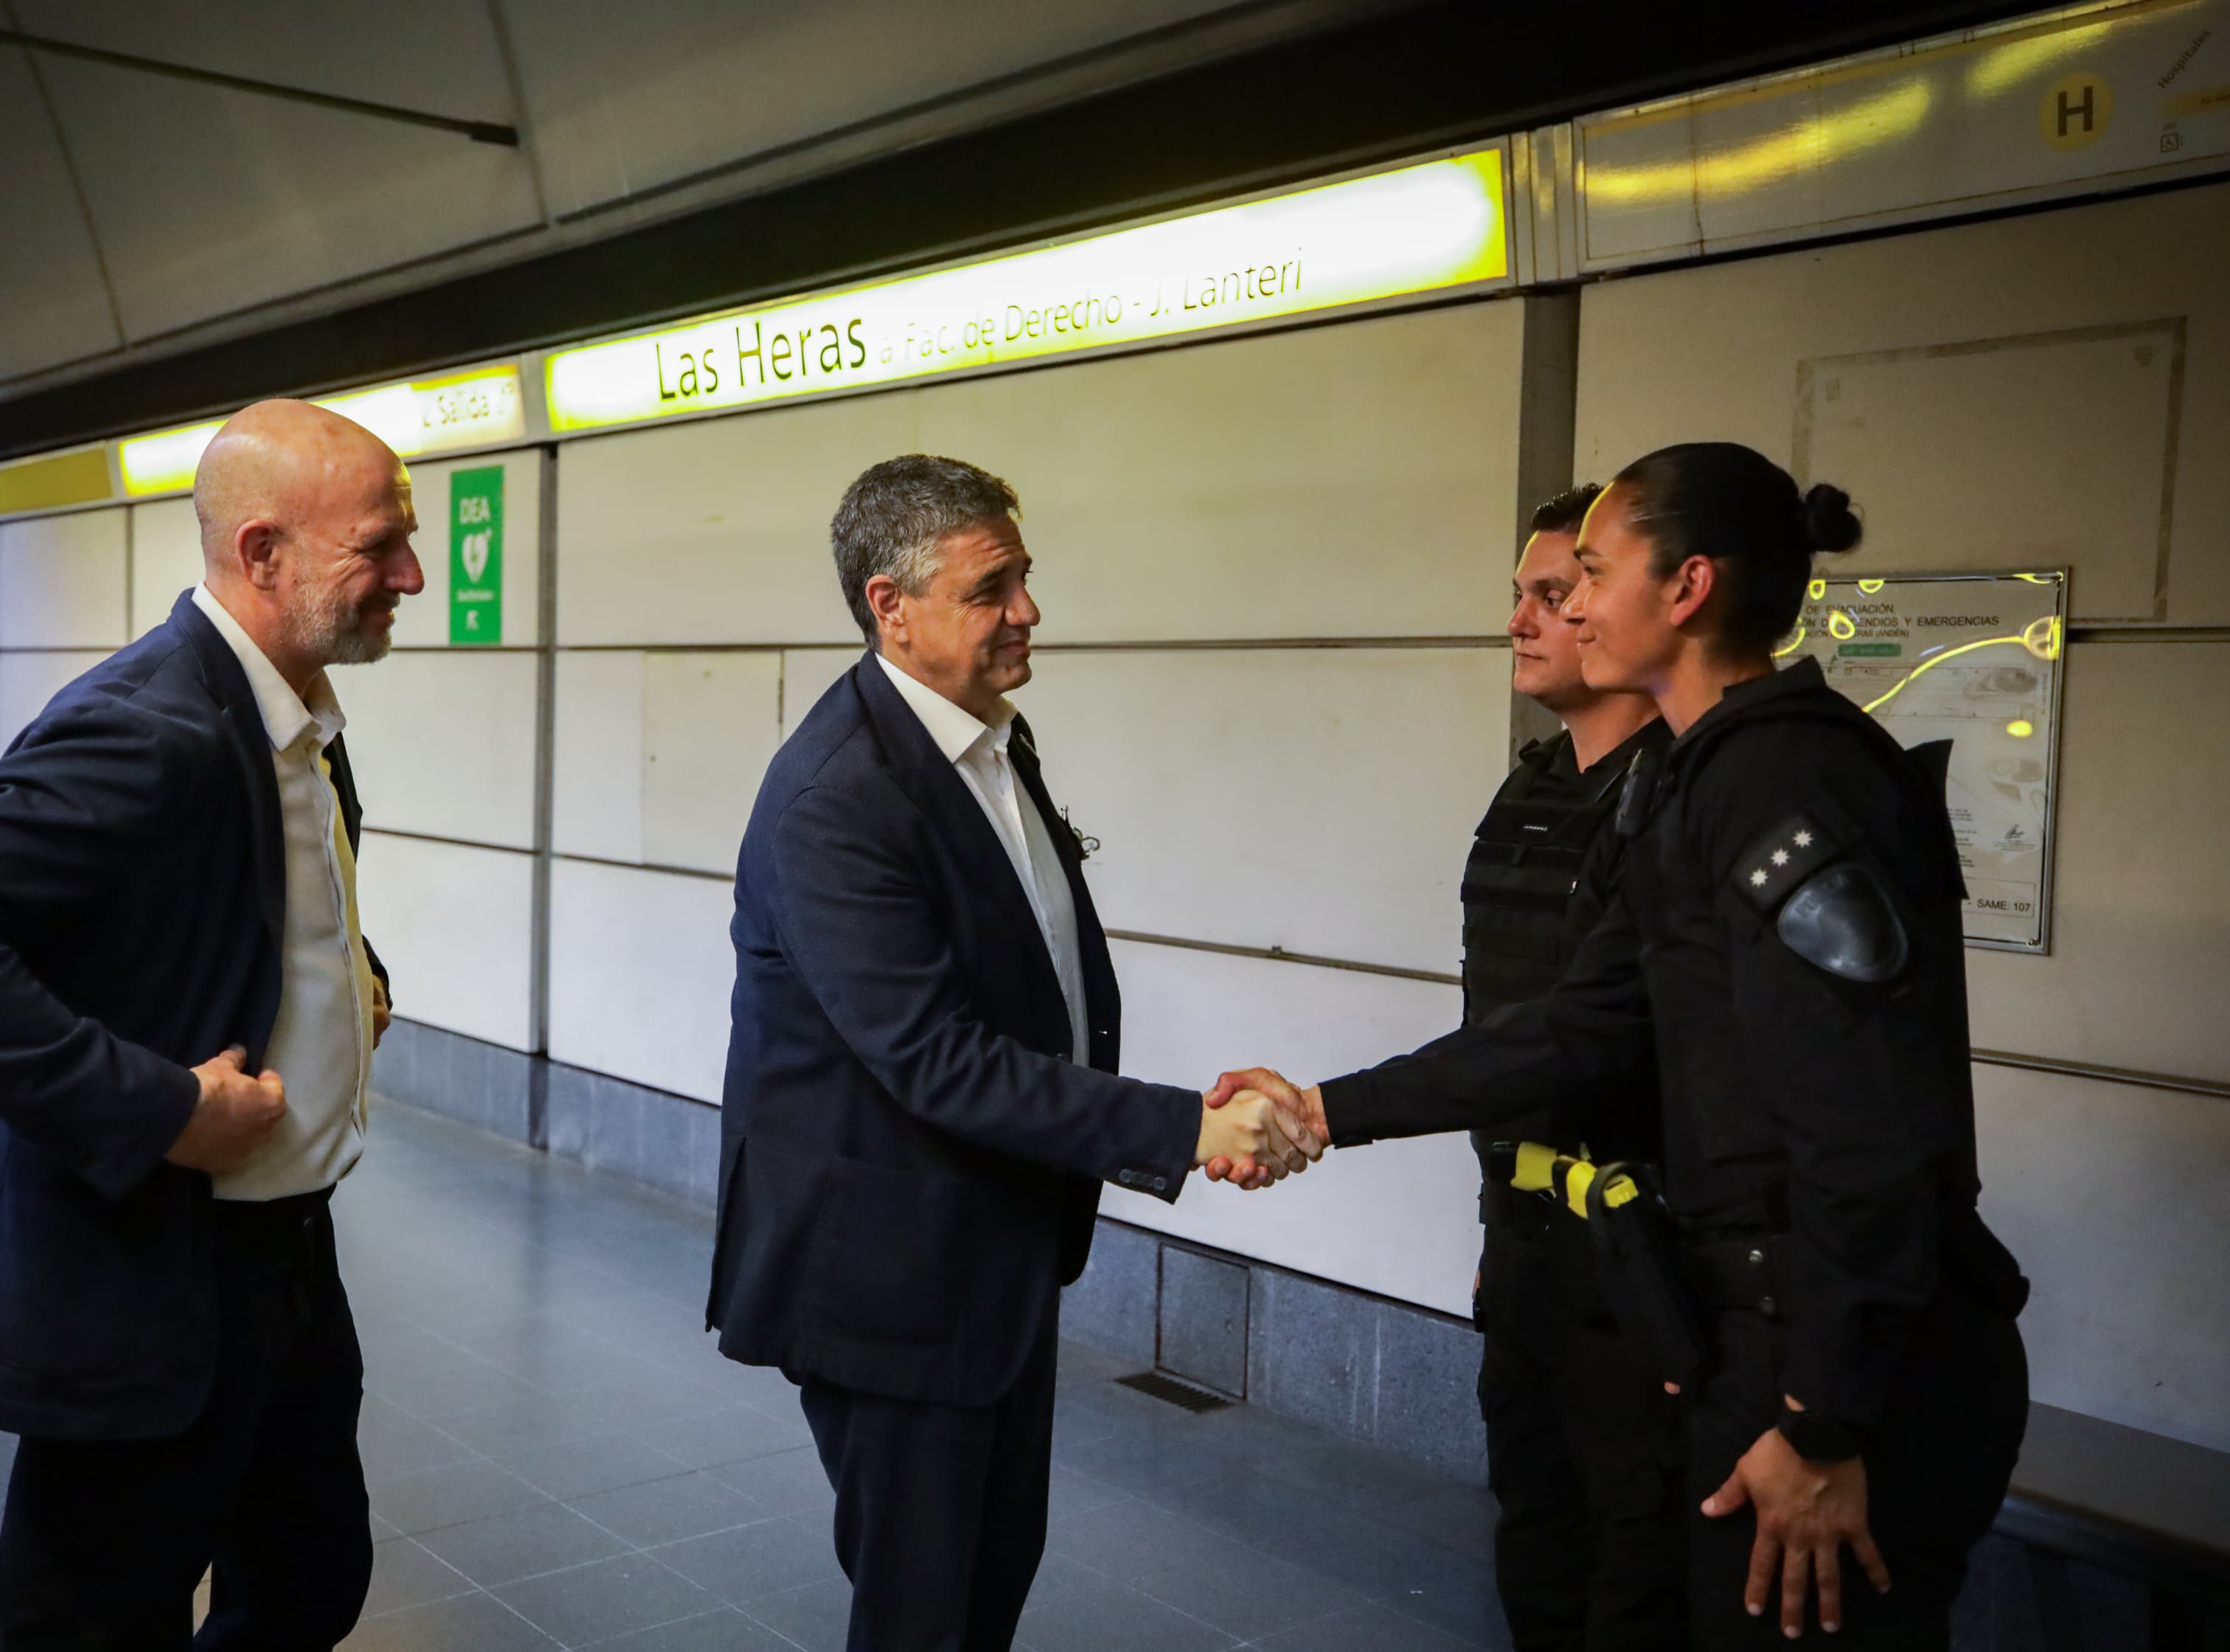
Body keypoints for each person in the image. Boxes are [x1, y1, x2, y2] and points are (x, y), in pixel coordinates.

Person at [1209, 443, 2029, 1648]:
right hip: (1756, 1341)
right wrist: (1325, 1108)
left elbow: (1870, 1136)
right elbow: (1572, 1028)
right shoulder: (1695, 785)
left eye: (1589, 572)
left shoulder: (1790, 777)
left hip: (1837, 1372)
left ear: (1687, 587)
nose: (1568, 604)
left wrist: (1823, 1425)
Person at [0, 399, 425, 1648]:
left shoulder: (292, 716)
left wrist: (352, 976)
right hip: (148, 1278)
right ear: (264, 554)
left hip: (285, 1260)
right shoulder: (150, 731)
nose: (410, 575)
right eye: (379, 547)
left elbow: (257, 902)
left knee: (309, 1574)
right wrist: (162, 1109)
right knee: (95, 1615)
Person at [708, 454, 1316, 1652]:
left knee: (990, 1570)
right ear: (892, 604)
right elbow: (933, 1055)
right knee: (925, 1605)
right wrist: (1182, 1128)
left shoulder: (984, 741)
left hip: (986, 1244)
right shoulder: (840, 796)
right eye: (992, 588)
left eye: (1025, 578)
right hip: (887, 1275)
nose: (1028, 610)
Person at [1463, 483, 1682, 1649]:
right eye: (1521, 597)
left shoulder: (1682, 795)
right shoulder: (1533, 783)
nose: (1528, 620)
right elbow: (1500, 1025)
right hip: (1530, 1249)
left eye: (1555, 595)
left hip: (1644, 1264)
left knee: (1636, 1572)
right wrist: (1497, 1236)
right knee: (1535, 1541)